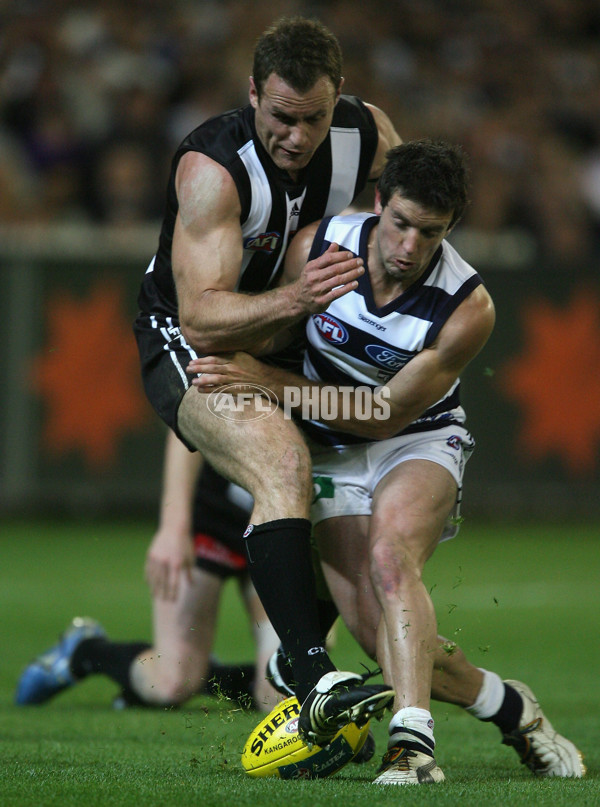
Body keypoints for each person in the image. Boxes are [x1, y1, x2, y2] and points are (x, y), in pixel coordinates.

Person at [186, 139, 586, 784]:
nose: (407, 246)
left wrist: (266, 379)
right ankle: (510, 706)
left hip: (418, 440)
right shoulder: (318, 246)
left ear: (449, 229)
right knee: (380, 640)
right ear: (378, 204)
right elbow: (272, 324)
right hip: (331, 454)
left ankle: (413, 747)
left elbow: (383, 413)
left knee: (389, 557)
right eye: (400, 223)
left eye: (429, 233)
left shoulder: (467, 308)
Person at [131, 15, 402, 744]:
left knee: (359, 485)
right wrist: (303, 296)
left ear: (340, 98)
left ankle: (313, 667)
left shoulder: (368, 136)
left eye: (314, 118)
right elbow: (203, 321)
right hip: (189, 344)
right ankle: (311, 676)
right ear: (253, 93)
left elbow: (412, 216)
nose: (297, 136)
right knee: (281, 458)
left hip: (290, 344)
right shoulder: (212, 167)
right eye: (281, 117)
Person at [15, 431, 282, 712]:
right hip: (212, 513)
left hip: (279, 523)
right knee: (171, 683)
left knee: (280, 695)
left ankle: (201, 668)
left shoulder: (323, 392)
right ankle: (85, 652)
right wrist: (173, 528)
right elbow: (188, 420)